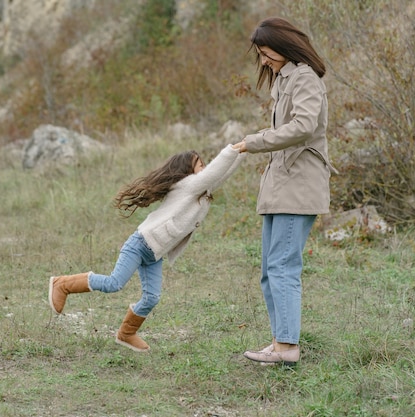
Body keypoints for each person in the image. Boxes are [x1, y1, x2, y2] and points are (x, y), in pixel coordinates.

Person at [48, 143, 244, 352]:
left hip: (154, 254)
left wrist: (242, 152)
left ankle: (127, 333)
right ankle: (63, 284)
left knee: (152, 297)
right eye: (200, 164)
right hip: (140, 244)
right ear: (187, 169)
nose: (205, 168)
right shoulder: (188, 185)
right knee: (114, 283)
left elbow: (219, 176)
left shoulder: (201, 191)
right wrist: (231, 149)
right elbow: (213, 173)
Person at [234, 17, 337, 366]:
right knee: (269, 269)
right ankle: (280, 342)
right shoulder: (284, 79)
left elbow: (304, 126)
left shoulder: (305, 78)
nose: (263, 61)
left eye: (266, 53)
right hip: (281, 186)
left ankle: (288, 347)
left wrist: (256, 141)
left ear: (282, 46)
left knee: (282, 266)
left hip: (298, 187)